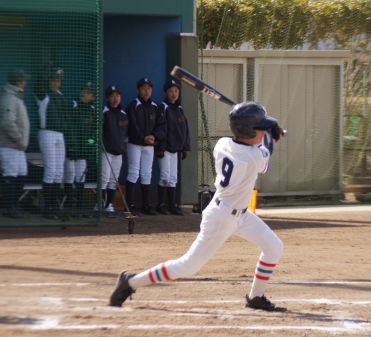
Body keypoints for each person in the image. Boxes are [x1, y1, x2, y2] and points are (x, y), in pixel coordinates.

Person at [110, 102, 286, 312]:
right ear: (246, 130)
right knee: (187, 265)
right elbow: (266, 153)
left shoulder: (222, 143)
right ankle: (130, 282)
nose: (263, 131)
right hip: (221, 218)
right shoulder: (252, 157)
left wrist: (267, 130)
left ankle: (255, 297)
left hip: (240, 214)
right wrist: (274, 134)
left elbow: (258, 145)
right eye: (260, 128)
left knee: (274, 247)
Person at [125, 77, 166, 216]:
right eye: (143, 88)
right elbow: (131, 126)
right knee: (133, 173)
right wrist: (143, 137)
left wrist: (154, 136)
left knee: (147, 173)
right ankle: (129, 205)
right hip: (135, 144)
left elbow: (162, 125)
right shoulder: (133, 105)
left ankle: (146, 205)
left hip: (150, 144)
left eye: (149, 88)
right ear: (137, 90)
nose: (147, 91)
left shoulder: (156, 106)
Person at [0, 69, 31, 219]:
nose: (25, 82)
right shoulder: (9, 98)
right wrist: (20, 139)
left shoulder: (16, 97)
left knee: (21, 173)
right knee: (11, 174)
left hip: (16, 146)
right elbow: (7, 123)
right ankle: (8, 208)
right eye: (24, 80)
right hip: (8, 145)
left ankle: (15, 205)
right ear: (19, 82)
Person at [34, 66, 68, 219]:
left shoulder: (60, 95)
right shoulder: (43, 94)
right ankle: (48, 208)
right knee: (50, 170)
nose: (55, 83)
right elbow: (38, 86)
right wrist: (45, 72)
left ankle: (55, 206)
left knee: (59, 171)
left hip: (60, 135)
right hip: (46, 132)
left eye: (58, 80)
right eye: (53, 80)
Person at [155, 79, 190, 216]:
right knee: (165, 177)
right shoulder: (163, 107)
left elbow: (185, 129)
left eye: (176, 91)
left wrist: (185, 147)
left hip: (175, 149)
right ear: (165, 93)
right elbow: (161, 129)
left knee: (173, 178)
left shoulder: (179, 109)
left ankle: (172, 205)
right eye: (171, 91)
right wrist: (160, 147)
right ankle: (160, 204)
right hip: (165, 149)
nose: (174, 94)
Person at [64, 82, 97, 217]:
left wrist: (90, 143)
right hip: (71, 149)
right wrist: (71, 146)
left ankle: (79, 206)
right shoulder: (72, 105)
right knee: (70, 175)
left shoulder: (93, 110)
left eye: (88, 92)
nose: (84, 93)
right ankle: (68, 206)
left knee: (80, 177)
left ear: (92, 96)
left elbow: (94, 133)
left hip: (84, 150)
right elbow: (67, 128)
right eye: (83, 90)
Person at [100, 85, 128, 213]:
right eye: (112, 96)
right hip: (106, 151)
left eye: (117, 95)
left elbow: (125, 133)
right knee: (104, 178)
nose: (115, 98)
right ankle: (99, 205)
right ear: (107, 98)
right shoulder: (104, 112)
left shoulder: (123, 114)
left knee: (114, 180)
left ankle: (109, 205)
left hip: (118, 152)